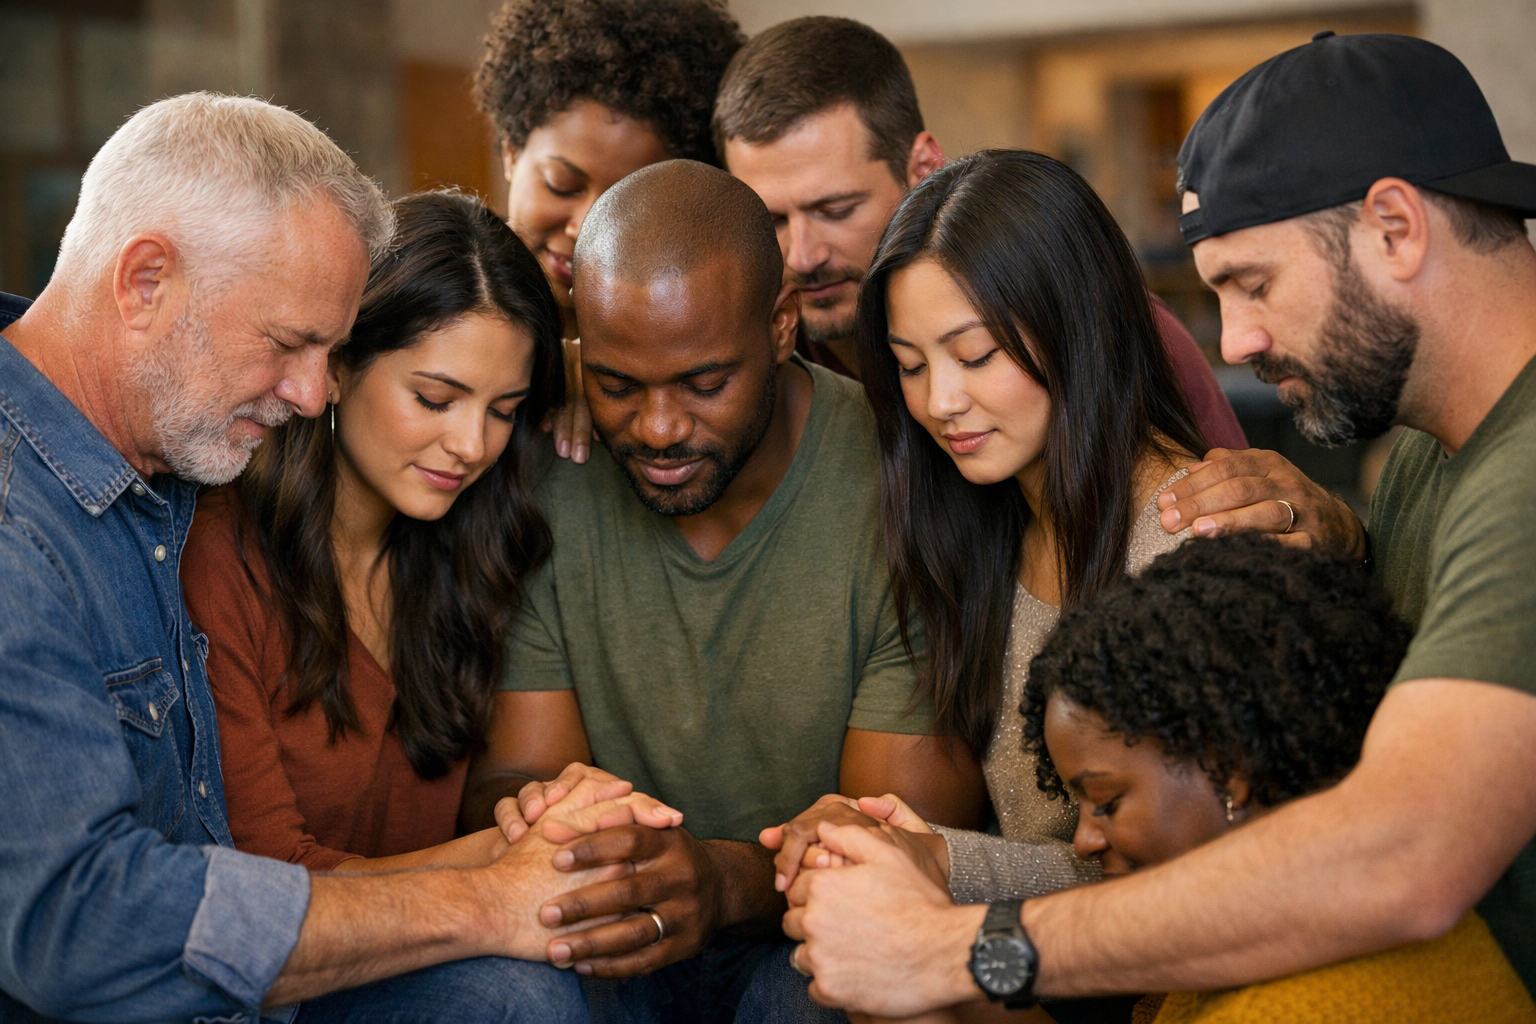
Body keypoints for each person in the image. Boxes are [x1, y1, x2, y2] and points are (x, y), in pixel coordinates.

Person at [780, 32, 1536, 1018]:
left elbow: (1401, 858)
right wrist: (1345, 535)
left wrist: (954, 941)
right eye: (913, 365)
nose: (1237, 341)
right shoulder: (1429, 463)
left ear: (1396, 226)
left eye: (1254, 283)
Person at [0, 93, 665, 1024]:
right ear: (144, 282)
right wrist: (488, 894)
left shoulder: (159, 455)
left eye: (331, 348)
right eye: (290, 343)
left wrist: (609, 387)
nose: (313, 395)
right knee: (522, 990)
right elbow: (81, 925)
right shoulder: (31, 534)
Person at [459, 159, 987, 1022]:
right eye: (617, 385)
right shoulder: (552, 476)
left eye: (705, 384)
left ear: (781, 326)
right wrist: (547, 820)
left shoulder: (904, 486)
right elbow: (516, 771)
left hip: (806, 936)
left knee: (829, 993)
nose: (659, 428)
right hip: (607, 931)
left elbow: (893, 852)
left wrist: (718, 880)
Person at [766, 149, 1206, 913]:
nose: (940, 402)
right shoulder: (983, 522)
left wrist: (941, 860)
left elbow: (1177, 880)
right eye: (910, 365)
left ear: (1076, 327)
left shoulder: (1182, 540)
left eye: (976, 356)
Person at [181, 189, 576, 878]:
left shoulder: (469, 546)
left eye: (504, 410)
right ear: (335, 368)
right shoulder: (223, 558)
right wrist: (508, 863)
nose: (472, 445)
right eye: (435, 399)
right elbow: (271, 880)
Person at [1023, 534, 1532, 1024]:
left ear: (1232, 768)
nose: (1083, 843)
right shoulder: (1268, 934)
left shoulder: (1297, 1003)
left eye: (1106, 802)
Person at [711, 16, 1246, 453]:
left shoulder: (1098, 324)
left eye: (836, 209)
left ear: (923, 167)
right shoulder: (760, 354)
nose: (802, 256)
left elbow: (1241, 512)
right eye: (772, 221)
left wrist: (1292, 507)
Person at [476, 0, 743, 462]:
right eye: (562, 185)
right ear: (511, 151)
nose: (585, 229)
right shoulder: (449, 301)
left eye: (628, 204)